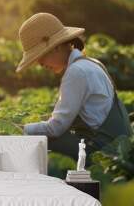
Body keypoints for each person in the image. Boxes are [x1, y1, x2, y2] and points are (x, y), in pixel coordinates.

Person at [15, 13, 132, 162]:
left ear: (56, 47)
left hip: (104, 150)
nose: (40, 63)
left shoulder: (76, 72)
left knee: (37, 144)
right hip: (119, 147)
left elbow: (55, 128)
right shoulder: (92, 63)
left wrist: (20, 129)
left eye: (40, 56)